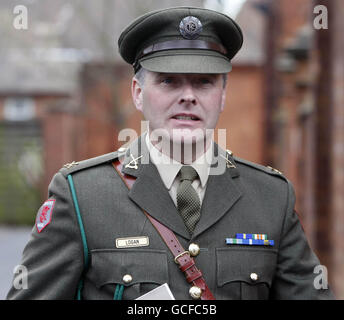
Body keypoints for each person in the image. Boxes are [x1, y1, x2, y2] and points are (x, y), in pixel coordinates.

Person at [7, 6, 334, 300]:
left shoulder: (271, 197)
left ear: (222, 96)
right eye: (169, 82)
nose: (188, 96)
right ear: (138, 93)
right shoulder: (81, 196)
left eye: (203, 82)